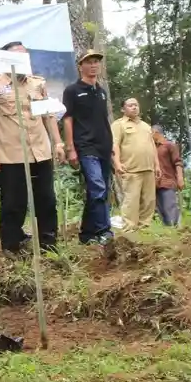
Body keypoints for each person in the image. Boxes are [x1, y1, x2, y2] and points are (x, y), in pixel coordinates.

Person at [0, 42, 63, 252]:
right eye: (16, 55)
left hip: (40, 152)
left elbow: (48, 115)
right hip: (11, 155)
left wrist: (58, 142)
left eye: (24, 55)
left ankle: (49, 244)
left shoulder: (37, 84)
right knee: (13, 203)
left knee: (46, 199)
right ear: (5, 59)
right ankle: (11, 246)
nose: (22, 59)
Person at [62, 50, 114, 244]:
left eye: (96, 62)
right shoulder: (73, 90)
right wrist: (70, 148)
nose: (94, 65)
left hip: (104, 146)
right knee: (97, 187)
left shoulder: (101, 91)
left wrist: (112, 147)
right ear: (80, 66)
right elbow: (68, 120)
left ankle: (86, 233)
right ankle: (104, 231)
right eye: (89, 62)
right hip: (85, 146)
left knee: (99, 191)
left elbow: (104, 120)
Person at [111, 98, 157, 231]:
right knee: (131, 201)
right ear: (123, 109)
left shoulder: (146, 126)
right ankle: (129, 230)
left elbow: (152, 146)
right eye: (130, 105)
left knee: (149, 201)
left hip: (148, 169)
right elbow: (115, 145)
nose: (134, 107)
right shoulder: (118, 125)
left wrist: (157, 165)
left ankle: (145, 228)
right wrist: (117, 163)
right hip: (131, 170)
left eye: (136, 105)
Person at [152, 125, 184, 227]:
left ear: (156, 133)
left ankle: (175, 226)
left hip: (168, 181)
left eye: (151, 133)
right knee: (160, 209)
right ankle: (168, 228)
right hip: (156, 183)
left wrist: (180, 178)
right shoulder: (152, 148)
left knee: (169, 206)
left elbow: (178, 163)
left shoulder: (169, 145)